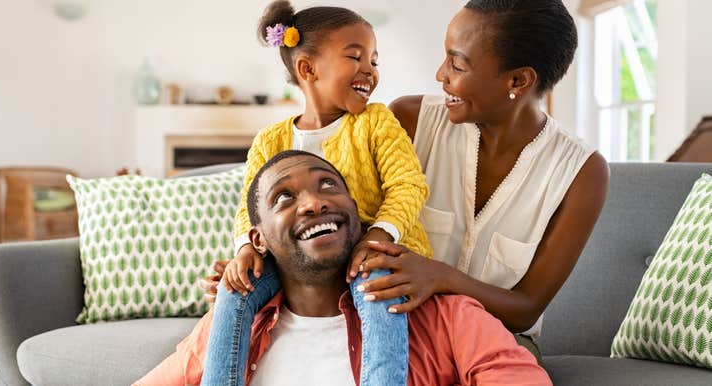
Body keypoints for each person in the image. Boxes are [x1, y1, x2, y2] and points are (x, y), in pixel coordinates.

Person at [135, 150, 551, 386]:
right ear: (257, 239)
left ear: (358, 214)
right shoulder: (229, 328)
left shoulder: (447, 317)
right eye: (283, 197)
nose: (314, 202)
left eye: (328, 185)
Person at [347, 0, 610, 358]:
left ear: (517, 80)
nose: (441, 74)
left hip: (497, 340)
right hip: (400, 324)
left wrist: (442, 277)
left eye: (457, 64)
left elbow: (526, 308)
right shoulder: (408, 121)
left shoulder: (582, 173)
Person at [204, 2, 431, 385]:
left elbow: (408, 184)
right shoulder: (270, 140)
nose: (370, 71)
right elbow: (251, 207)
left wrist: (377, 237)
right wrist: (245, 249)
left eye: (374, 60)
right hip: (297, 263)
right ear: (307, 69)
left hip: (372, 249)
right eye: (355, 57)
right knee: (234, 290)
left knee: (377, 289)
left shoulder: (376, 122)